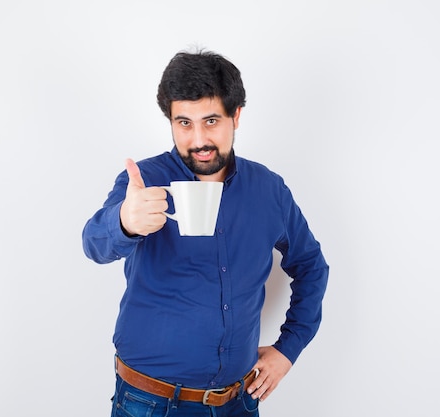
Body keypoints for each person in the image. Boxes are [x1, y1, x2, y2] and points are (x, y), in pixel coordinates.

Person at [82, 49, 329, 417]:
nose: (198, 139)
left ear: (236, 116)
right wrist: (124, 222)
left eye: (211, 120)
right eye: (184, 123)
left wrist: (287, 350)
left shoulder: (268, 190)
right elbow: (93, 243)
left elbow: (311, 265)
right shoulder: (144, 182)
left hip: (239, 402)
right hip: (149, 403)